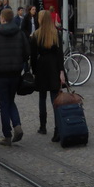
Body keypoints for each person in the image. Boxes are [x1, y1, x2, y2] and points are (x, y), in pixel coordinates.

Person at [0, 7, 30, 146]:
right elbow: (26, 53)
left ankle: (7, 135)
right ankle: (17, 125)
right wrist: (19, 63)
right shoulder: (20, 33)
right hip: (15, 73)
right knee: (10, 100)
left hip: (1, 74)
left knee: (4, 104)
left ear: (3, 19)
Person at [30, 10, 65, 141]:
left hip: (41, 67)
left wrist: (34, 71)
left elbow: (33, 57)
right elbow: (60, 54)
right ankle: (58, 129)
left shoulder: (36, 35)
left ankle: (43, 126)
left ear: (40, 19)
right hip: (54, 67)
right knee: (55, 100)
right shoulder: (56, 33)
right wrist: (61, 71)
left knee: (42, 98)